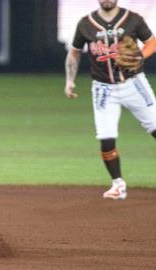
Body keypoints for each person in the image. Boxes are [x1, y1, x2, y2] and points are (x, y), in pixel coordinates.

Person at [64, 0, 156, 200]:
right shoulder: (86, 23)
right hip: (103, 89)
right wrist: (69, 81)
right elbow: (74, 52)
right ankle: (118, 185)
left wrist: (140, 57)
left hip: (134, 84)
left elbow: (152, 42)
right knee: (106, 139)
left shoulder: (132, 19)